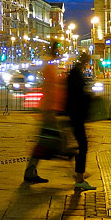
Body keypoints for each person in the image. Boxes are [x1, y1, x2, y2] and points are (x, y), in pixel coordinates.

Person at [24, 42, 65, 184]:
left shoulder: (51, 67)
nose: (58, 53)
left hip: (49, 110)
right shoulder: (49, 68)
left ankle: (31, 170)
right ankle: (74, 171)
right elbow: (51, 89)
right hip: (49, 111)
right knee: (48, 142)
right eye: (57, 50)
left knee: (46, 142)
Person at [66, 52, 95, 191]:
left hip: (74, 113)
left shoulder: (75, 72)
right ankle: (79, 178)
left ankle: (79, 174)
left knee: (80, 144)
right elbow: (78, 95)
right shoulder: (76, 74)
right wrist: (89, 99)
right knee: (83, 145)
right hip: (76, 113)